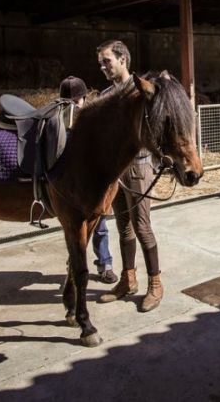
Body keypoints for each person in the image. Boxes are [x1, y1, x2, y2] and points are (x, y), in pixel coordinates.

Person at [95, 39, 164, 312]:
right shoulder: (104, 95)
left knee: (142, 226)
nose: (103, 67)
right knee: (122, 227)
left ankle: (156, 285)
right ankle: (128, 280)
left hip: (138, 166)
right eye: (101, 63)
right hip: (116, 170)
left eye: (107, 61)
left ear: (123, 60)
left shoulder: (142, 93)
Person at [59, 75, 118, 285]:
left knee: (100, 226)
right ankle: (74, 261)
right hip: (70, 185)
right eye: (68, 102)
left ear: (84, 99)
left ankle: (105, 265)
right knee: (74, 229)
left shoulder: (93, 118)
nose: (73, 106)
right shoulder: (57, 121)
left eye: (76, 101)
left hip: (92, 183)